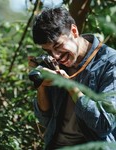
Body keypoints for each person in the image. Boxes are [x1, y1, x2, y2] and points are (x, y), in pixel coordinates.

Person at [28, 6, 116, 149]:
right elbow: (45, 120)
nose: (55, 56)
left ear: (74, 31)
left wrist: (71, 87)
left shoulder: (111, 63)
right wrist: (42, 85)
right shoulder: (54, 63)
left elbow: (104, 124)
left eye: (58, 46)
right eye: (48, 51)